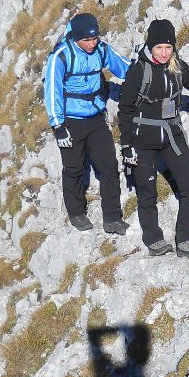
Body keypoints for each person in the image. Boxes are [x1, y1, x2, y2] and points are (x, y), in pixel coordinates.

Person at [118, 19, 189, 257]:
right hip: (143, 140)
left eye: (168, 47)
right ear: (150, 46)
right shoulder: (139, 70)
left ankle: (185, 237)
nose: (163, 53)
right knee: (147, 191)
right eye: (158, 47)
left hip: (172, 135)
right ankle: (153, 238)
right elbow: (126, 109)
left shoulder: (177, 66)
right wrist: (127, 145)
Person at [44, 12, 130, 234]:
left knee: (109, 166)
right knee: (73, 168)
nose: (92, 44)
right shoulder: (61, 57)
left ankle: (112, 217)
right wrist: (58, 126)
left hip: (95, 118)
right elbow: (52, 91)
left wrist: (147, 74)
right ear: (75, 38)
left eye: (95, 38)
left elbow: (123, 67)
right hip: (70, 121)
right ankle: (76, 213)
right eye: (87, 40)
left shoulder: (101, 49)